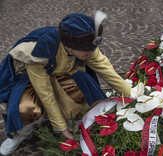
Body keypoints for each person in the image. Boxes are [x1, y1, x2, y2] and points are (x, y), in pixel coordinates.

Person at [0, 11, 131, 155]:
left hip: (58, 73)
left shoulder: (87, 46)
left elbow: (106, 69)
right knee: (25, 107)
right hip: (27, 81)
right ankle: (20, 132)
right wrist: (60, 127)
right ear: (69, 46)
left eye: (93, 48)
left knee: (82, 82)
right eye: (87, 50)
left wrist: (131, 96)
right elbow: (45, 92)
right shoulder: (39, 51)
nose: (92, 52)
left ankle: (73, 118)